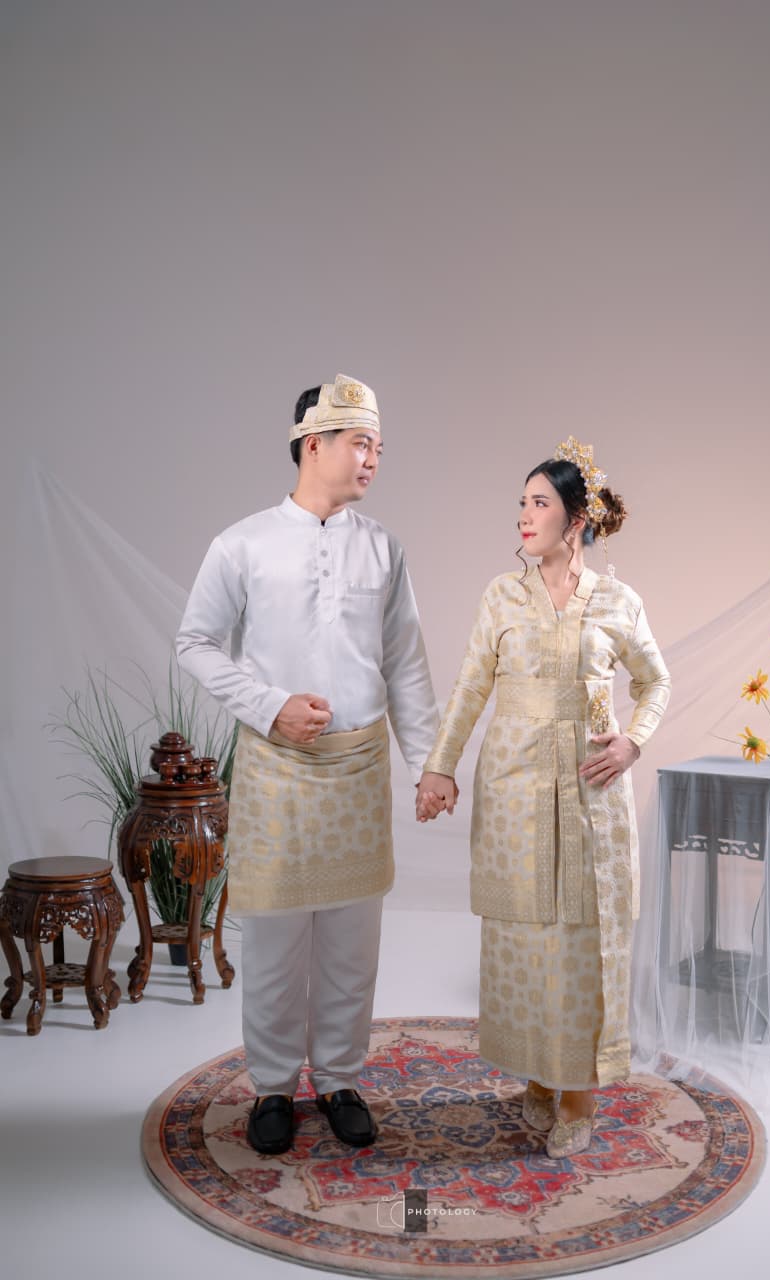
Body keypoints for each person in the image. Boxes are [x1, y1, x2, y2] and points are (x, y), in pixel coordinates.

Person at [176, 374, 438, 1155]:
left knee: (353, 943)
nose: (373, 458)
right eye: (360, 443)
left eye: (379, 446)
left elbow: (407, 664)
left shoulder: (383, 548)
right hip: (277, 768)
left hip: (358, 770)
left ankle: (340, 1079)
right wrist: (269, 705)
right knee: (274, 941)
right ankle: (271, 1088)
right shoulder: (243, 544)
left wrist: (428, 763)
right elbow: (195, 642)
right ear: (311, 443)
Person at [416, 437, 670, 1158]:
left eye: (539, 503)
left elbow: (655, 680)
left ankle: (578, 1095)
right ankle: (536, 1076)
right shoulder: (502, 594)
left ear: (576, 519)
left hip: (590, 793)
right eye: (521, 504)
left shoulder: (618, 600)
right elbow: (471, 687)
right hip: (514, 790)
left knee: (581, 941)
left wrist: (633, 742)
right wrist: (440, 768)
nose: (524, 517)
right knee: (526, 940)